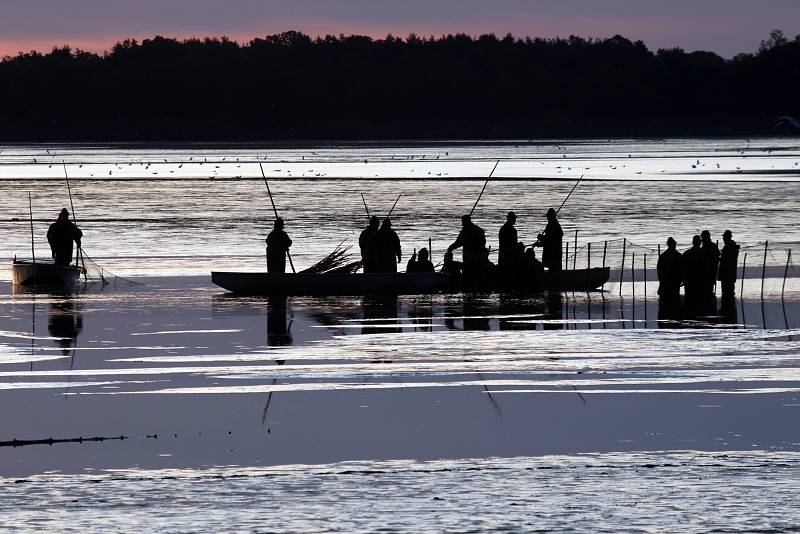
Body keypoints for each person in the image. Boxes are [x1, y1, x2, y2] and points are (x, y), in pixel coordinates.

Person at [447, 214, 489, 279]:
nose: (463, 225)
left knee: (469, 273)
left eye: (463, 223)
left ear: (466, 222)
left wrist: (451, 248)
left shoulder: (467, 231)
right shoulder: (478, 230)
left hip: (471, 257)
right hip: (476, 257)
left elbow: (459, 242)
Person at [535, 208, 563, 273]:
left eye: (548, 216)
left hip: (553, 256)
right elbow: (548, 240)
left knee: (553, 272)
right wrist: (540, 240)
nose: (547, 218)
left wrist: (540, 238)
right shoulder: (554, 226)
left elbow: (549, 241)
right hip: (555, 256)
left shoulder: (552, 226)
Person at [682, 235, 704, 309]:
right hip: (700, 281)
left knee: (689, 302)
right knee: (700, 302)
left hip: (689, 281)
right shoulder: (703, 254)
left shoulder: (686, 253)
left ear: (692, 242)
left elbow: (682, 268)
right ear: (700, 243)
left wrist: (683, 279)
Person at [718, 230, 740, 299]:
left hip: (726, 273)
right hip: (731, 272)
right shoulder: (733, 247)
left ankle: (728, 307)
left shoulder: (728, 247)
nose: (723, 239)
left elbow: (725, 260)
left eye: (724, 237)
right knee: (730, 290)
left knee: (726, 291)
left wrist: (718, 258)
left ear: (727, 238)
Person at [700, 230, 721, 297]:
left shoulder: (709, 246)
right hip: (708, 270)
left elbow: (717, 257)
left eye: (703, 237)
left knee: (707, 289)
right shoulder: (707, 245)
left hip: (709, 270)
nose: (702, 239)